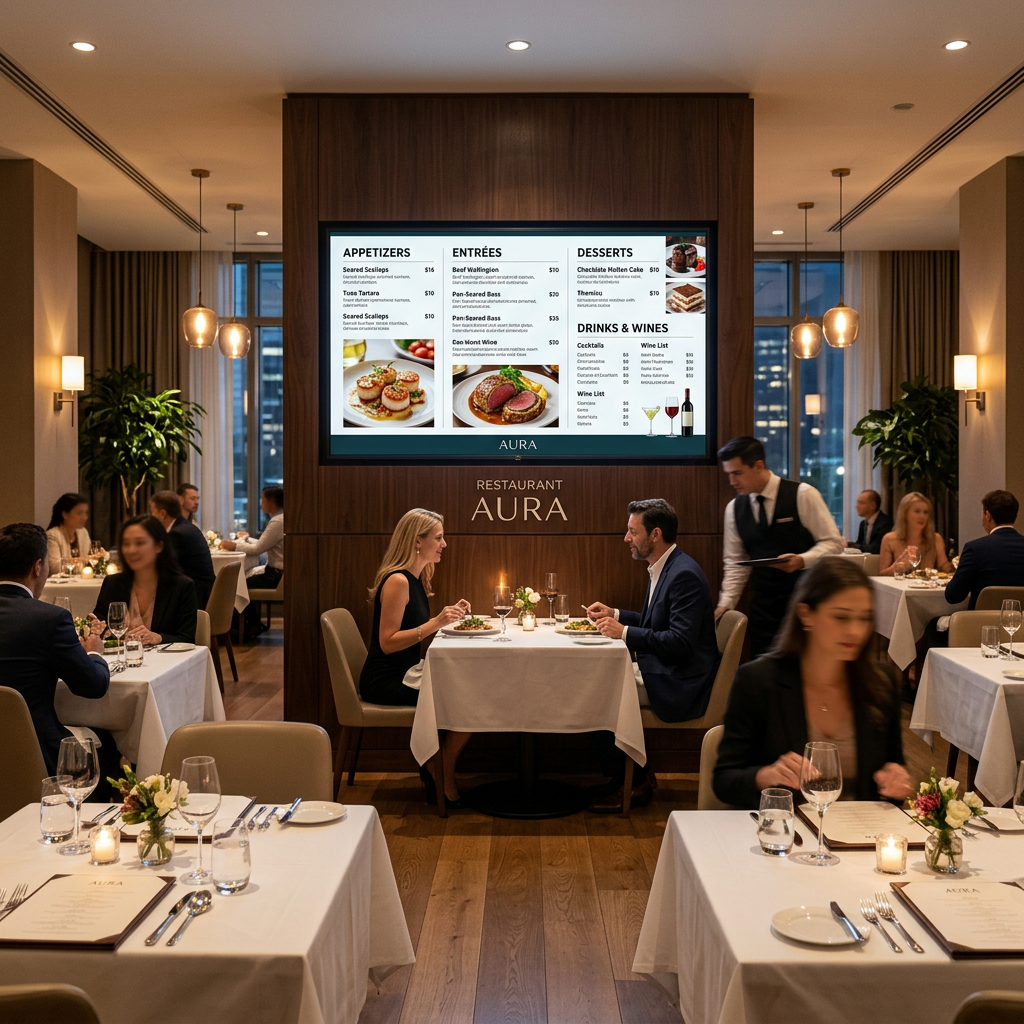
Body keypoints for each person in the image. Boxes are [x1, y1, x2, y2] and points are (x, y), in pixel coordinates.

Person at [713, 558, 913, 810]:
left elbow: (893, 768)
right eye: (841, 617)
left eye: (864, 619)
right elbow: (724, 781)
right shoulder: (758, 681)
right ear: (806, 614)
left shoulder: (881, 684)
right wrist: (767, 775)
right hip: (787, 835)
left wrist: (897, 780)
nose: (855, 631)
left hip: (860, 837)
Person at [586, 499, 721, 812]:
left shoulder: (683, 574)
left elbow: (680, 643)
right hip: (670, 668)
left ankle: (635, 784)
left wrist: (622, 632)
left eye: (633, 531)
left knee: (598, 691)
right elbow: (657, 624)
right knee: (598, 685)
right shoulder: (666, 566)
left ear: (656, 534)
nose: (626, 538)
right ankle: (630, 777)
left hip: (682, 682)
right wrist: (616, 613)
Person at [359, 509, 473, 807]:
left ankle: (438, 767)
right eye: (438, 537)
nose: (444, 544)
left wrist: (448, 617)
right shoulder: (398, 580)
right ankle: (439, 769)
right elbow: (387, 643)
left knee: (471, 694)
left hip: (405, 672)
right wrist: (436, 622)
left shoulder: (416, 578)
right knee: (469, 701)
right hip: (386, 680)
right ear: (417, 541)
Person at [0, 523, 121, 797]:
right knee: (110, 746)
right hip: (37, 754)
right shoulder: (49, 619)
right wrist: (93, 652)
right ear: (38, 567)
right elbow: (92, 686)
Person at [716, 436, 845, 656]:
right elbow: (735, 563)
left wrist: (802, 560)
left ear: (758, 466)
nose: (732, 481)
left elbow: (834, 543)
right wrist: (726, 604)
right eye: (729, 474)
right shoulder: (734, 508)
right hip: (763, 609)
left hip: (805, 604)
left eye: (737, 473)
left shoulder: (803, 494)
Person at [93, 516, 197, 645]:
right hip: (119, 662)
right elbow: (101, 628)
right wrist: (95, 628)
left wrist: (157, 638)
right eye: (126, 544)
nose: (131, 550)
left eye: (139, 543)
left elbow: (187, 639)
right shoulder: (113, 584)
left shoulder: (181, 587)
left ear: (159, 546)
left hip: (165, 662)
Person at [220, 485, 284, 639]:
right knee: (245, 580)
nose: (261, 504)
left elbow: (257, 550)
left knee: (240, 585)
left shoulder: (277, 521)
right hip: (277, 572)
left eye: (263, 500)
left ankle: (251, 624)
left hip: (275, 574)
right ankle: (251, 623)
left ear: (271, 502)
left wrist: (234, 545)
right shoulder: (281, 518)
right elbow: (266, 543)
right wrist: (247, 538)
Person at [945, 490, 1024, 610]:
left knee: (932, 626)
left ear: (987, 515)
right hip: (1021, 624)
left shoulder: (975, 549)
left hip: (982, 625)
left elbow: (953, 596)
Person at [149, 491, 216, 609]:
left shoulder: (177, 534)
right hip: (205, 591)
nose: (151, 517)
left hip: (196, 597)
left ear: (163, 514)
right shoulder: (186, 526)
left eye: (153, 513)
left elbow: (166, 568)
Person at [878, 491, 952, 576]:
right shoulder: (889, 539)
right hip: (899, 587)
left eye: (925, 512)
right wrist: (898, 567)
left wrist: (955, 565)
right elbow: (882, 575)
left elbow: (944, 568)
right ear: (904, 514)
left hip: (926, 588)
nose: (922, 516)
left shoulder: (935, 538)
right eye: (917, 511)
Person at [45, 493, 100, 575]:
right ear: (65, 514)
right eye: (79, 513)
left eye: (85, 513)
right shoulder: (52, 535)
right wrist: (83, 560)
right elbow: (54, 567)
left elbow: (89, 562)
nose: (84, 518)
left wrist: (99, 557)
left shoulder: (83, 533)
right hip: (59, 585)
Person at [851, 490, 892, 555]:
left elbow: (876, 548)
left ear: (873, 505)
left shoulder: (885, 523)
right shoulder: (863, 523)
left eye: (861, 503)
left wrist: (850, 544)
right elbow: (859, 545)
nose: (856, 506)